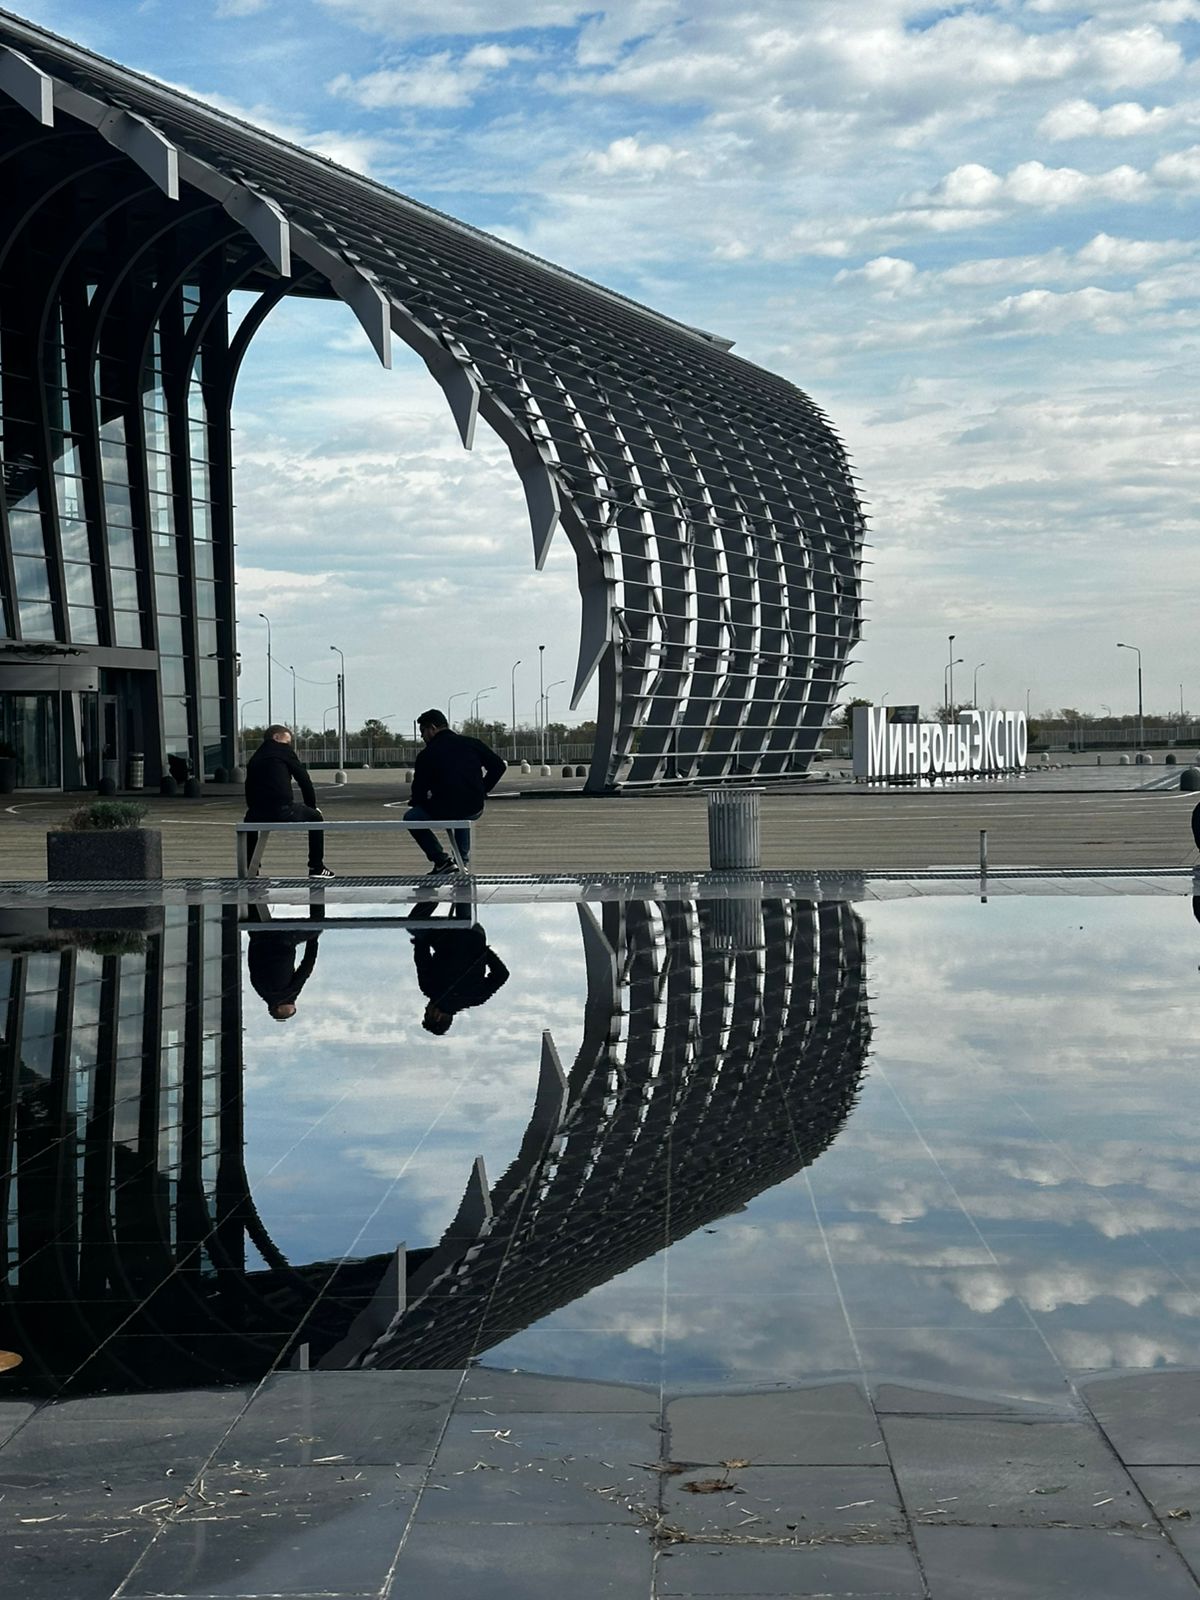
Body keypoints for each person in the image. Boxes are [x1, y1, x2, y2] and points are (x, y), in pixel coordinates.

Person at [405, 708, 506, 874]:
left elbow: (419, 790)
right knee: (463, 813)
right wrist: (482, 790)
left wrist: (419, 803)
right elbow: (498, 766)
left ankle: (441, 860)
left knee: (411, 818)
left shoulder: (427, 754)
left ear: (432, 728)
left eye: (423, 731)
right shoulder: (472, 743)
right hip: (474, 806)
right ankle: (462, 862)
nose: (422, 737)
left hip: (444, 807)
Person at [244, 724, 334, 878]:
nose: (289, 745)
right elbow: (304, 780)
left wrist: (252, 807)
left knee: (249, 823)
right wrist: (312, 806)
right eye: (287, 741)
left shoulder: (255, 757)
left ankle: (251, 869)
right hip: (282, 809)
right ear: (276, 737)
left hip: (256, 812)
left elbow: (248, 785)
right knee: (316, 818)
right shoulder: (283, 751)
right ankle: (316, 867)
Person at [407, 901, 509, 1033]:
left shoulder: (477, 998)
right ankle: (431, 895)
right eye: (427, 1013)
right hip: (447, 936)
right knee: (413, 925)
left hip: (475, 935)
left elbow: (502, 975)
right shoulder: (429, 988)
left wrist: (484, 951)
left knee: (465, 922)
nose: (426, 1008)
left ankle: (464, 893)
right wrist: (420, 940)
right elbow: (422, 959)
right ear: (437, 1016)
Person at [246, 920, 320, 1021]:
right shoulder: (259, 988)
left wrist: (314, 936)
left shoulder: (289, 993)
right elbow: (252, 961)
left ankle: (317, 912)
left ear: (280, 1008)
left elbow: (307, 966)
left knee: (318, 924)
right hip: (258, 936)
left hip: (283, 940)